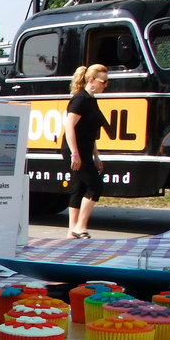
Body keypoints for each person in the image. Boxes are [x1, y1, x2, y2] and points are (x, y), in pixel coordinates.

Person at [62, 64, 109, 239]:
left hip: (86, 149)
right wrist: (74, 153)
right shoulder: (80, 100)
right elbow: (69, 127)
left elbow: (90, 131)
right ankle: (80, 227)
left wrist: (96, 155)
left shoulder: (91, 100)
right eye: (103, 81)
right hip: (76, 149)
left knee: (79, 186)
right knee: (95, 185)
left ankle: (71, 231)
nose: (106, 85)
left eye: (107, 81)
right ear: (91, 81)